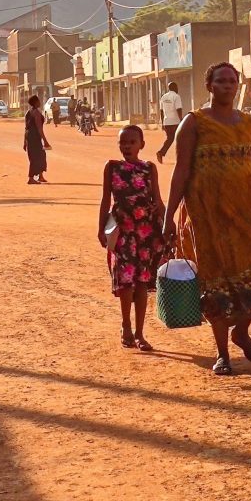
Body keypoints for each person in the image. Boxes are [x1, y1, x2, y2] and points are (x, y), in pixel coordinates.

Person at [164, 62, 251, 377]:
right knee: (217, 280)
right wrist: (168, 216)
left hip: (249, 213)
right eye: (221, 81)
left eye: (232, 81)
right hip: (207, 216)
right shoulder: (193, 123)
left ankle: (241, 332)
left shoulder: (249, 123)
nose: (228, 86)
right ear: (209, 85)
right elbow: (180, 172)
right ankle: (222, 353)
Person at [97, 125, 166, 352]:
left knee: (142, 282)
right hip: (123, 231)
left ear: (141, 145)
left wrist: (167, 224)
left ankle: (140, 333)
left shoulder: (149, 168)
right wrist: (100, 228)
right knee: (126, 281)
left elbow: (157, 199)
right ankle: (126, 326)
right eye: (123, 142)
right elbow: (105, 199)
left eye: (131, 142)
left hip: (145, 232)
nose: (126, 146)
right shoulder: (112, 167)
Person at [23, 95, 51, 184]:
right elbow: (39, 128)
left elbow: (26, 128)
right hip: (34, 137)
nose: (40, 102)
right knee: (36, 157)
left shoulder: (28, 112)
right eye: (38, 101)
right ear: (35, 102)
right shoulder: (36, 113)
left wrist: (24, 142)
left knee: (40, 155)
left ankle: (40, 176)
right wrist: (45, 141)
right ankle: (31, 178)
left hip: (29, 136)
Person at [156, 81, 183, 164]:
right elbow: (179, 109)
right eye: (177, 87)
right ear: (174, 88)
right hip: (175, 122)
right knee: (180, 139)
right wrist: (181, 120)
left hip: (166, 122)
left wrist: (162, 123)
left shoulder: (163, 97)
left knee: (170, 139)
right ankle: (181, 157)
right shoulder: (176, 96)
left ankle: (161, 152)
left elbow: (161, 111)